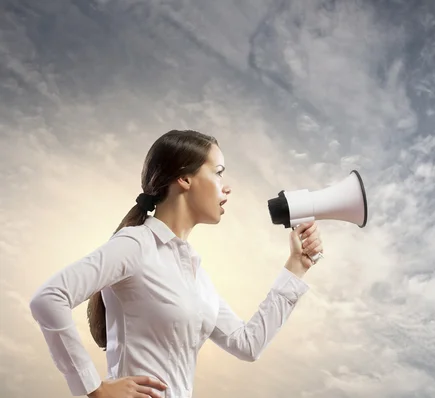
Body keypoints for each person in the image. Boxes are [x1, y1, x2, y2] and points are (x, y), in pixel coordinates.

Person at [29, 130, 324, 398]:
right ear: (184, 178)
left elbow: (247, 344)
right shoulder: (136, 244)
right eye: (218, 173)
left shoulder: (196, 277)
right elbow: (49, 298)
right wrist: (93, 388)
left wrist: (296, 266)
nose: (227, 188)